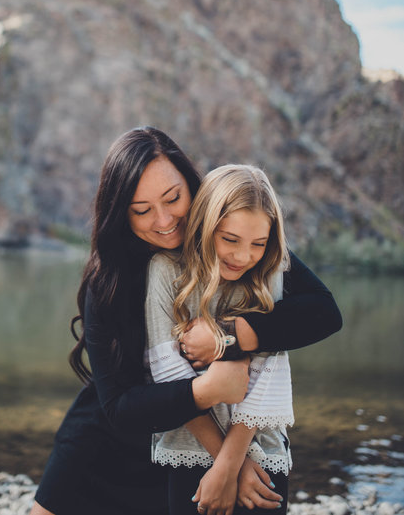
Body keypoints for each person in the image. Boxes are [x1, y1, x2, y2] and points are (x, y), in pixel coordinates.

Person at [31, 128, 342, 515]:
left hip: (198, 434)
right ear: (121, 213)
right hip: (125, 424)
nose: (164, 220)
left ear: (193, 188)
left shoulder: (233, 238)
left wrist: (229, 336)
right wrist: (215, 416)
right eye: (141, 210)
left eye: (173, 198)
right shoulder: (110, 280)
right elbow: (118, 405)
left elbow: (322, 312)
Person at [146, 164, 296, 515]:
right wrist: (227, 466)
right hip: (189, 446)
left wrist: (231, 463)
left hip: (260, 452)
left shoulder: (269, 272)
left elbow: (267, 373)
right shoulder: (166, 270)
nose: (243, 256)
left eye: (258, 244)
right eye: (230, 239)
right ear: (205, 224)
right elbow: (168, 373)